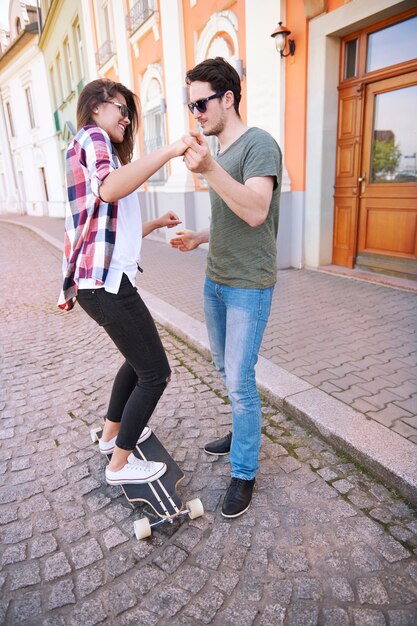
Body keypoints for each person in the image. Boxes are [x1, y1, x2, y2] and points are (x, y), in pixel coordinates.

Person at [58, 78, 187, 486]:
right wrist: (169, 150)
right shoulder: (93, 137)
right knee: (156, 373)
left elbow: (112, 228)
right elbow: (111, 190)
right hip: (107, 286)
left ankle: (111, 436)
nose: (127, 119)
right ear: (97, 106)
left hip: (102, 283)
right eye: (121, 109)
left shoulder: (101, 151)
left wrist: (154, 222)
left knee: (137, 363)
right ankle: (120, 465)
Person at [170, 57, 282, 518]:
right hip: (215, 279)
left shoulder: (259, 145)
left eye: (201, 103)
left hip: (248, 286)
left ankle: (244, 471)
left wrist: (210, 170)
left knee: (240, 380)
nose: (195, 113)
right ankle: (242, 429)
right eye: (190, 105)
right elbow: (232, 217)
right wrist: (199, 236)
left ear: (228, 98)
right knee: (223, 367)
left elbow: (256, 210)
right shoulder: (220, 152)